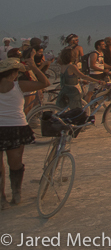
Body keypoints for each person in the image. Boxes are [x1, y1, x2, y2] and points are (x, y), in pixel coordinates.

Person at [0, 56, 50, 208]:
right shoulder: (19, 85)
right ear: (14, 72)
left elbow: (45, 83)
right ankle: (14, 194)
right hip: (16, 127)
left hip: (15, 127)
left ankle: (7, 196)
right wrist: (34, 67)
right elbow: (45, 83)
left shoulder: (19, 85)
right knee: (15, 164)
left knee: (10, 164)